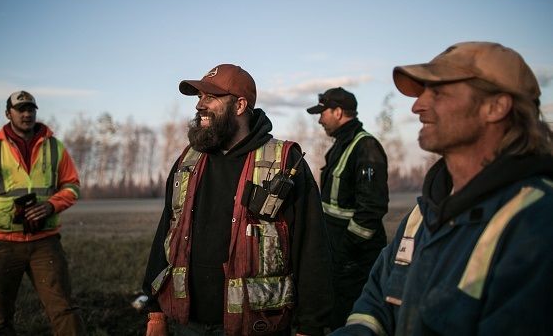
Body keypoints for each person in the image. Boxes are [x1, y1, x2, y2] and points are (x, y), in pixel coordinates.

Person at [332, 41, 553, 335]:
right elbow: (375, 304)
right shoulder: (422, 214)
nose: (417, 106)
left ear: (495, 107)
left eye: (437, 92)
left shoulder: (536, 222)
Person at [142, 64, 333, 335]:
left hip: (256, 326)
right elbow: (167, 231)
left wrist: (310, 326)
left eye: (210, 97)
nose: (200, 105)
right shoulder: (188, 160)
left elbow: (311, 247)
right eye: (199, 97)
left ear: (240, 105)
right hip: (187, 324)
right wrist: (155, 313)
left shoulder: (284, 162)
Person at [0, 91, 86, 335]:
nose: (27, 114)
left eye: (31, 109)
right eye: (21, 109)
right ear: (8, 114)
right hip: (1, 243)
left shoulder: (54, 147)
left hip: (45, 242)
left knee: (64, 309)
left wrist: (51, 205)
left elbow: (72, 186)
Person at [306, 87, 389, 330]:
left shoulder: (366, 147)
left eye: (323, 113)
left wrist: (345, 251)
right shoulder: (342, 146)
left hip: (356, 261)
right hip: (339, 257)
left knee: (352, 318)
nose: (320, 119)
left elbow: (371, 210)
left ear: (339, 112)